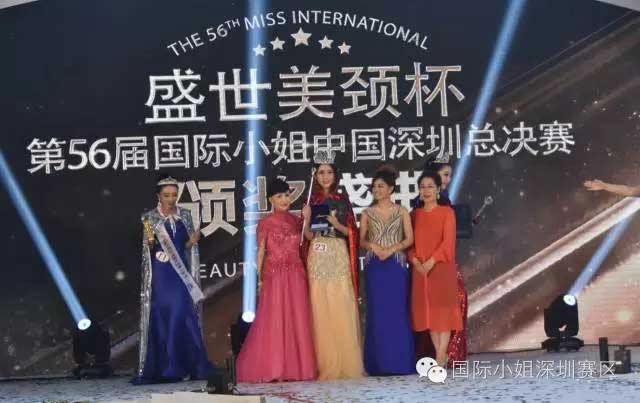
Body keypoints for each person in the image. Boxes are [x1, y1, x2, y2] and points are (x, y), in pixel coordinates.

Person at [133, 174, 213, 384]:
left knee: (182, 313)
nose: (171, 199)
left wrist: (192, 241)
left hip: (180, 273)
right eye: (166, 195)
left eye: (174, 195)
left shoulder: (185, 215)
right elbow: (148, 248)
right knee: (164, 315)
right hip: (161, 273)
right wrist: (150, 239)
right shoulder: (149, 218)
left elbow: (185, 247)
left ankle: (190, 365)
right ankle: (167, 367)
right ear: (158, 196)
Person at [236, 178, 317, 383]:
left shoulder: (296, 221)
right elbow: (260, 252)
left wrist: (307, 218)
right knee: (274, 320)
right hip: (274, 275)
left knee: (297, 319)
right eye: (279, 196)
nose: (284, 199)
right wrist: (259, 279)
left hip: (296, 273)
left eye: (287, 195)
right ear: (270, 199)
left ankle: (297, 368)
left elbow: (309, 237)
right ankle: (274, 367)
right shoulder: (265, 223)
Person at [301, 157, 364, 380]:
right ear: (316, 176)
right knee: (319, 306)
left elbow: (352, 233)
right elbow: (308, 236)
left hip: (337, 252)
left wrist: (337, 224)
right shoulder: (311, 200)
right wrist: (306, 219)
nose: (325, 176)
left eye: (329, 172)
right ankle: (324, 362)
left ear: (335, 175)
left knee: (341, 303)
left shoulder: (342, 200)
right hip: (318, 254)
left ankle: (345, 361)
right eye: (321, 172)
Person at [360, 165, 415, 375]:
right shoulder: (367, 213)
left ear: (391, 189)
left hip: (396, 266)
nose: (376, 190)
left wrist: (391, 249)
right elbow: (361, 240)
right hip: (375, 266)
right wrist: (373, 247)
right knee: (377, 313)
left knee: (397, 312)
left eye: (381, 186)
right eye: (374, 187)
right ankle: (378, 363)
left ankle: (399, 362)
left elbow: (409, 239)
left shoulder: (402, 211)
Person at [413, 157, 468, 367]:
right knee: (430, 315)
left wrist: (432, 261)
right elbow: (409, 243)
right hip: (421, 271)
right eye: (422, 187)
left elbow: (448, 244)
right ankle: (440, 355)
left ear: (438, 190)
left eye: (430, 186)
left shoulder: (447, 213)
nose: (426, 190)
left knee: (443, 314)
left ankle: (440, 355)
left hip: (441, 269)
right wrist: (416, 261)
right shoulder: (415, 215)